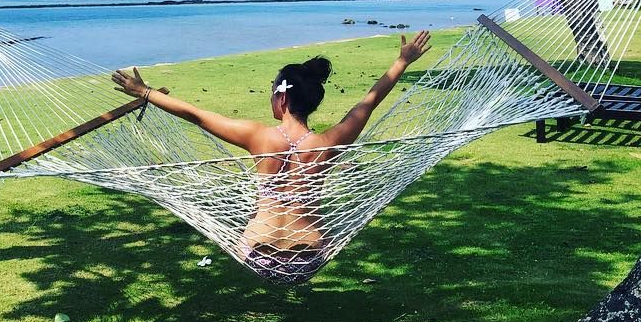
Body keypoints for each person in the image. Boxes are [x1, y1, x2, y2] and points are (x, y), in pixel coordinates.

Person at [112, 31, 432, 283]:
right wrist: (402, 62)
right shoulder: (327, 143)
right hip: (308, 259)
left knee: (254, 218)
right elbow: (368, 103)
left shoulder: (259, 137)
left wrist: (145, 92)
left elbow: (197, 115)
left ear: (282, 97)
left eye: (272, 91)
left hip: (258, 256)